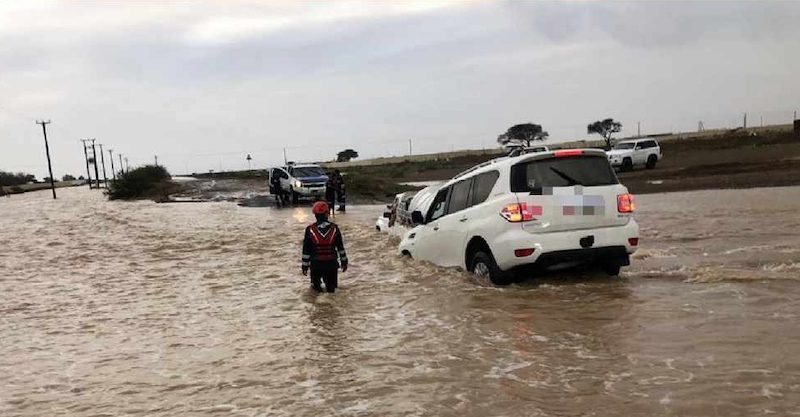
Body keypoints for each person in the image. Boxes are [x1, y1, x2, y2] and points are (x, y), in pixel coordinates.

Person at [302, 201, 348, 293]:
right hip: (331, 264)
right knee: (332, 291)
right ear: (327, 214)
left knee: (315, 291)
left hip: (316, 265)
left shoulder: (310, 230)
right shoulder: (335, 229)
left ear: (315, 215)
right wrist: (344, 262)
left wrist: (304, 266)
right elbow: (340, 248)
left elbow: (306, 250)